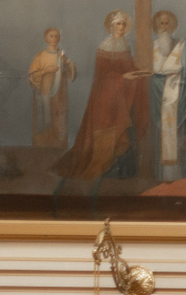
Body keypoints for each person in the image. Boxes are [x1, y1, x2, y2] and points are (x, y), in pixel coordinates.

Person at [52, 10, 148, 184]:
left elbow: (128, 68)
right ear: (111, 26)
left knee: (126, 130)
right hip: (106, 97)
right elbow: (102, 77)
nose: (121, 27)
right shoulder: (105, 46)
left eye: (123, 24)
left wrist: (138, 73)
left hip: (124, 95)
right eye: (118, 24)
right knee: (111, 129)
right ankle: (107, 169)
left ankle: (125, 170)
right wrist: (123, 78)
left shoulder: (125, 45)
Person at [149, 10, 186, 183]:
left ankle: (178, 173)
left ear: (172, 26)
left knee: (177, 133)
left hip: (177, 93)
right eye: (161, 24)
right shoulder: (152, 46)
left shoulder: (181, 44)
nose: (164, 27)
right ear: (157, 27)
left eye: (167, 23)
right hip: (157, 93)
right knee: (160, 134)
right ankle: (161, 174)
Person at [27, 28, 76, 148]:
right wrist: (46, 71)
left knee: (58, 120)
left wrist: (68, 63)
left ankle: (59, 146)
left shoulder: (62, 56)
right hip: (43, 93)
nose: (54, 39)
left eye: (56, 36)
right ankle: (41, 146)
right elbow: (32, 76)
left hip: (59, 95)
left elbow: (71, 74)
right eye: (51, 36)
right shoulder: (40, 56)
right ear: (46, 39)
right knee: (43, 121)